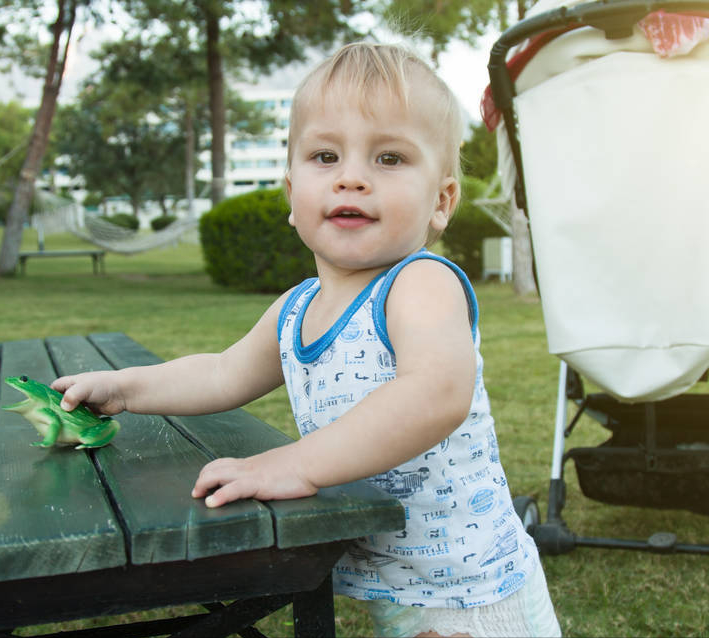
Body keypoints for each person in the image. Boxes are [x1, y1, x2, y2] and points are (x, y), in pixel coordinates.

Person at [52, 41, 561, 638]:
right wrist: (125, 388)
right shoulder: (297, 309)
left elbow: (435, 394)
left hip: (471, 591)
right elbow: (222, 372)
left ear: (441, 202)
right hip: (398, 585)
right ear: (292, 195)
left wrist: (297, 463)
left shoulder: (421, 284)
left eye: (390, 159)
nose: (351, 178)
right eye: (325, 155)